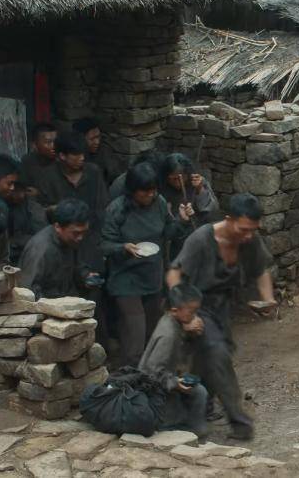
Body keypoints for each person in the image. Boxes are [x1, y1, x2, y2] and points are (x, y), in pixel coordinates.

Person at [166, 193, 276, 441]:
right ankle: (240, 421)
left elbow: (261, 270)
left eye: (253, 230)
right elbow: (174, 273)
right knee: (217, 353)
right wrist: (184, 312)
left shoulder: (250, 240)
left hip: (223, 305)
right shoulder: (201, 239)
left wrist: (267, 298)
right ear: (229, 219)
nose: (248, 236)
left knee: (209, 356)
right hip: (196, 303)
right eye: (243, 229)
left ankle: (199, 407)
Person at [102, 162, 193, 367]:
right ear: (132, 190)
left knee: (154, 332)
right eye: (145, 192)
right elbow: (105, 244)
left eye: (153, 190)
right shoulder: (117, 209)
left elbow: (168, 232)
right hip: (126, 278)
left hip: (152, 275)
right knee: (135, 334)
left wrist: (182, 221)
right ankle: (130, 376)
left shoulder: (159, 203)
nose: (150, 195)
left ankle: (154, 375)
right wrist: (123, 247)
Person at [139, 283, 208, 439]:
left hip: (165, 379)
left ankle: (189, 427)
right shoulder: (168, 335)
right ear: (175, 310)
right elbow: (152, 372)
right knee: (199, 393)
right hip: (154, 389)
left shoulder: (171, 320)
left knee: (199, 391)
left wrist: (188, 331)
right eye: (192, 312)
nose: (195, 316)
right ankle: (179, 429)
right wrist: (175, 382)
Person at [36, 131, 108, 277]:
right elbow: (40, 211)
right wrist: (53, 210)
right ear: (62, 156)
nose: (82, 158)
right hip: (64, 243)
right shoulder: (48, 177)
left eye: (82, 154)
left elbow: (102, 206)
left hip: (91, 241)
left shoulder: (93, 172)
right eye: (76, 155)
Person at [18, 198, 93, 299]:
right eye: (76, 233)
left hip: (68, 298)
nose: (80, 237)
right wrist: (54, 305)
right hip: (47, 304)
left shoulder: (71, 240)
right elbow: (28, 291)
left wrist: (86, 276)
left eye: (84, 232)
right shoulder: (40, 250)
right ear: (58, 227)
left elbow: (77, 266)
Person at [159, 153, 219, 261]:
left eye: (180, 178)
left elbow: (212, 212)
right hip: (176, 242)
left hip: (200, 236)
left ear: (187, 173)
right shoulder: (163, 190)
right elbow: (165, 227)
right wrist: (179, 219)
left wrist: (200, 190)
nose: (178, 183)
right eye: (173, 179)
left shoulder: (197, 182)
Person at [6, 181, 48, 265]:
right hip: (6, 254)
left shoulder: (34, 208)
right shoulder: (2, 205)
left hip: (28, 253)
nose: (16, 195)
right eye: (13, 192)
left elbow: (41, 237)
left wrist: (15, 241)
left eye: (19, 191)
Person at [73, 117, 118, 184]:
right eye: (92, 139)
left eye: (98, 137)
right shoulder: (74, 156)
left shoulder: (104, 150)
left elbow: (114, 175)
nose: (97, 142)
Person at [20, 122, 57, 195]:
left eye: (55, 141)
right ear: (34, 144)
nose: (53, 146)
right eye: (48, 142)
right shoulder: (27, 162)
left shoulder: (63, 161)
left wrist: (40, 193)